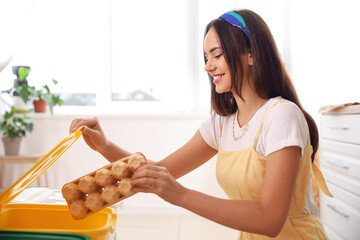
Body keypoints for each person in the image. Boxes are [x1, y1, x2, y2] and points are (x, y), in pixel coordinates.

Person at [69, 9, 332, 239]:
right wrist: (104, 145)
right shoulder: (222, 124)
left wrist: (180, 195)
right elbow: (157, 172)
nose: (208, 66)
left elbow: (270, 218)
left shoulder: (281, 116)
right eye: (206, 57)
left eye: (216, 55)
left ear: (251, 54)